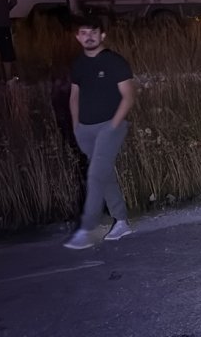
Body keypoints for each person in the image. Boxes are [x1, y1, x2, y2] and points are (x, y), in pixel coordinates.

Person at [63, 15, 137, 250]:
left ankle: (86, 229)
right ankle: (121, 220)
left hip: (109, 127)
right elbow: (74, 96)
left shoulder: (114, 62)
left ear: (102, 35)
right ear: (77, 37)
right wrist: (76, 126)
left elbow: (129, 96)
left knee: (96, 174)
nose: (89, 37)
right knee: (102, 174)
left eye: (93, 32)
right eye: (83, 33)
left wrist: (113, 125)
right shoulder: (78, 64)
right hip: (85, 128)